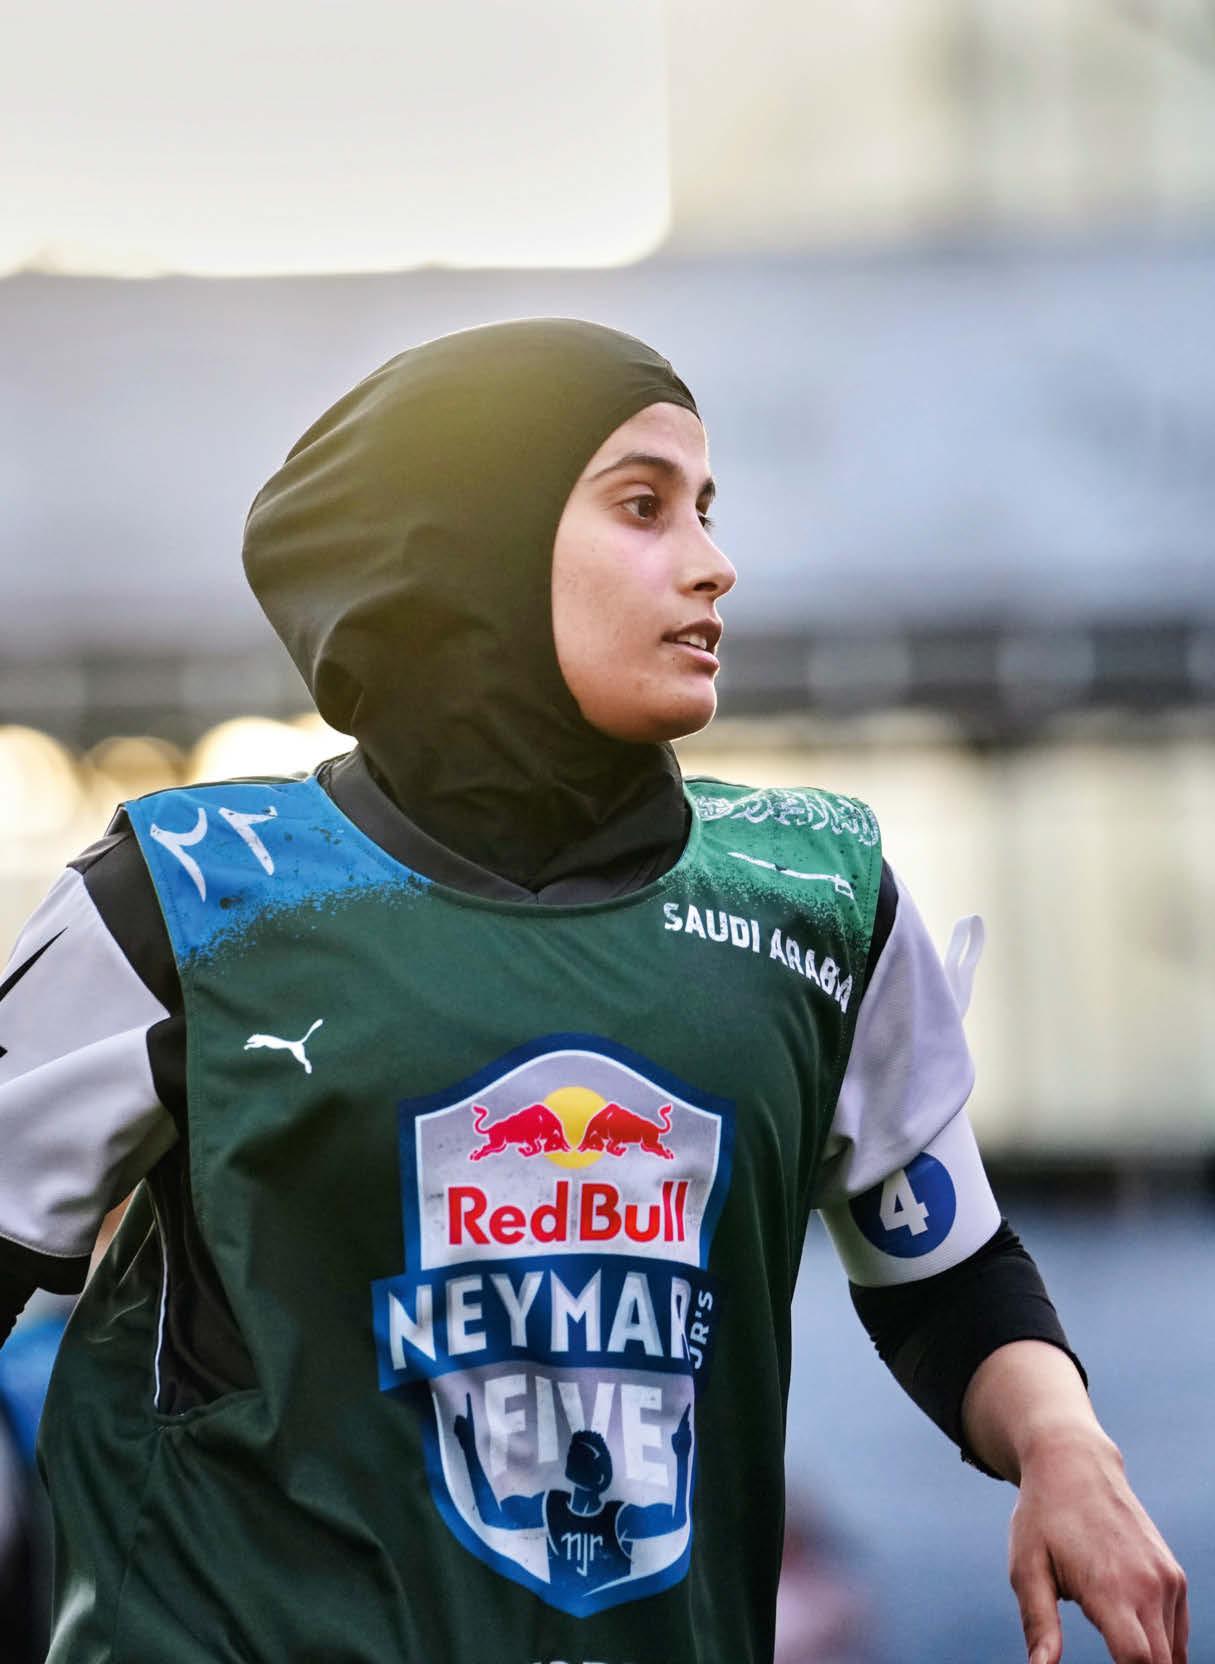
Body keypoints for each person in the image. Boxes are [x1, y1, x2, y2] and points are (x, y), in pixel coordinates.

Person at [0, 319, 1187, 1663]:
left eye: (707, 508)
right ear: (470, 552)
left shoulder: (812, 901)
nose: (713, 562)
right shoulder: (186, 896)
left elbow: (947, 1273)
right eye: (642, 506)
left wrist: (1065, 1446)